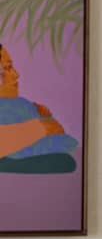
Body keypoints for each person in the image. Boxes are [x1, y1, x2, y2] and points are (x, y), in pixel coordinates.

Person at [0, 42, 78, 173]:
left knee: (65, 162)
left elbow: (62, 136)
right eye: (7, 69)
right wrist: (46, 125)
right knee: (64, 162)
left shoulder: (21, 105)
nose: (16, 75)